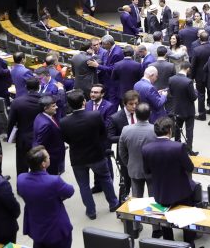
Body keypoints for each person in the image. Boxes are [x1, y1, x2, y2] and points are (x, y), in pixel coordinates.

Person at [142, 116, 200, 246]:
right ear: (169, 130)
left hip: (160, 192)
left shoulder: (146, 149)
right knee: (187, 223)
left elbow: (147, 171)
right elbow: (190, 168)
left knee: (165, 225)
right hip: (182, 193)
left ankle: (169, 244)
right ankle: (189, 244)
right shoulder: (178, 147)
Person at [60, 90, 118, 219]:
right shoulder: (95, 115)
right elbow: (103, 134)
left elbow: (66, 139)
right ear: (84, 102)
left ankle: (91, 212)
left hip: (77, 158)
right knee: (106, 179)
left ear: (69, 104)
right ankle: (113, 204)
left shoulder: (63, 122)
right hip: (97, 155)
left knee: (84, 185)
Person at [17, 146, 75, 248]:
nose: (50, 158)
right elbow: (70, 191)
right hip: (56, 230)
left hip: (36, 228)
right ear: (43, 164)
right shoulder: (54, 181)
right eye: (48, 157)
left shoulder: (21, 178)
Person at [119, 102, 158, 198]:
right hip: (153, 170)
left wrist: (129, 163)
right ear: (150, 113)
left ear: (135, 114)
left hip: (134, 169)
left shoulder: (126, 130)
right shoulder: (156, 130)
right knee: (154, 200)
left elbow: (122, 152)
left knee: (136, 199)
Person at [106, 90, 139, 200]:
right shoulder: (115, 117)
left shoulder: (141, 112)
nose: (134, 106)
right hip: (126, 155)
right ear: (124, 104)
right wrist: (128, 137)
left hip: (141, 154)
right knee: (125, 182)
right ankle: (122, 202)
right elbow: (110, 137)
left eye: (136, 103)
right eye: (131, 104)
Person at [6, 77, 42, 175]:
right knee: (40, 166)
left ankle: (22, 184)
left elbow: (11, 122)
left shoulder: (17, 102)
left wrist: (10, 137)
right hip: (41, 137)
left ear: (26, 87)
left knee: (22, 166)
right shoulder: (44, 101)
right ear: (39, 87)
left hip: (23, 138)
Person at [32, 95, 66, 175]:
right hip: (51, 159)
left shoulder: (40, 116)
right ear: (45, 108)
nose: (56, 107)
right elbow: (40, 144)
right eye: (53, 106)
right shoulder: (46, 125)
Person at [168, 62, 198, 154]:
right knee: (189, 130)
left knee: (177, 129)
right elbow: (193, 97)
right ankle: (189, 150)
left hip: (176, 109)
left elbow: (171, 93)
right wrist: (196, 91)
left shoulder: (171, 79)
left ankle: (177, 148)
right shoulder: (188, 81)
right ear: (188, 69)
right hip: (188, 111)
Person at [88, 35, 124, 107]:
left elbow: (112, 69)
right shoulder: (112, 49)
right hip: (109, 81)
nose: (102, 46)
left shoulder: (116, 53)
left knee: (113, 104)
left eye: (103, 44)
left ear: (108, 44)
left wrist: (97, 65)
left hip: (114, 82)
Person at [190, 31, 210, 120]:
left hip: (199, 76)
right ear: (208, 38)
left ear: (199, 39)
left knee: (201, 95)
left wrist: (191, 77)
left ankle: (202, 114)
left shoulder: (196, 50)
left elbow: (193, 65)